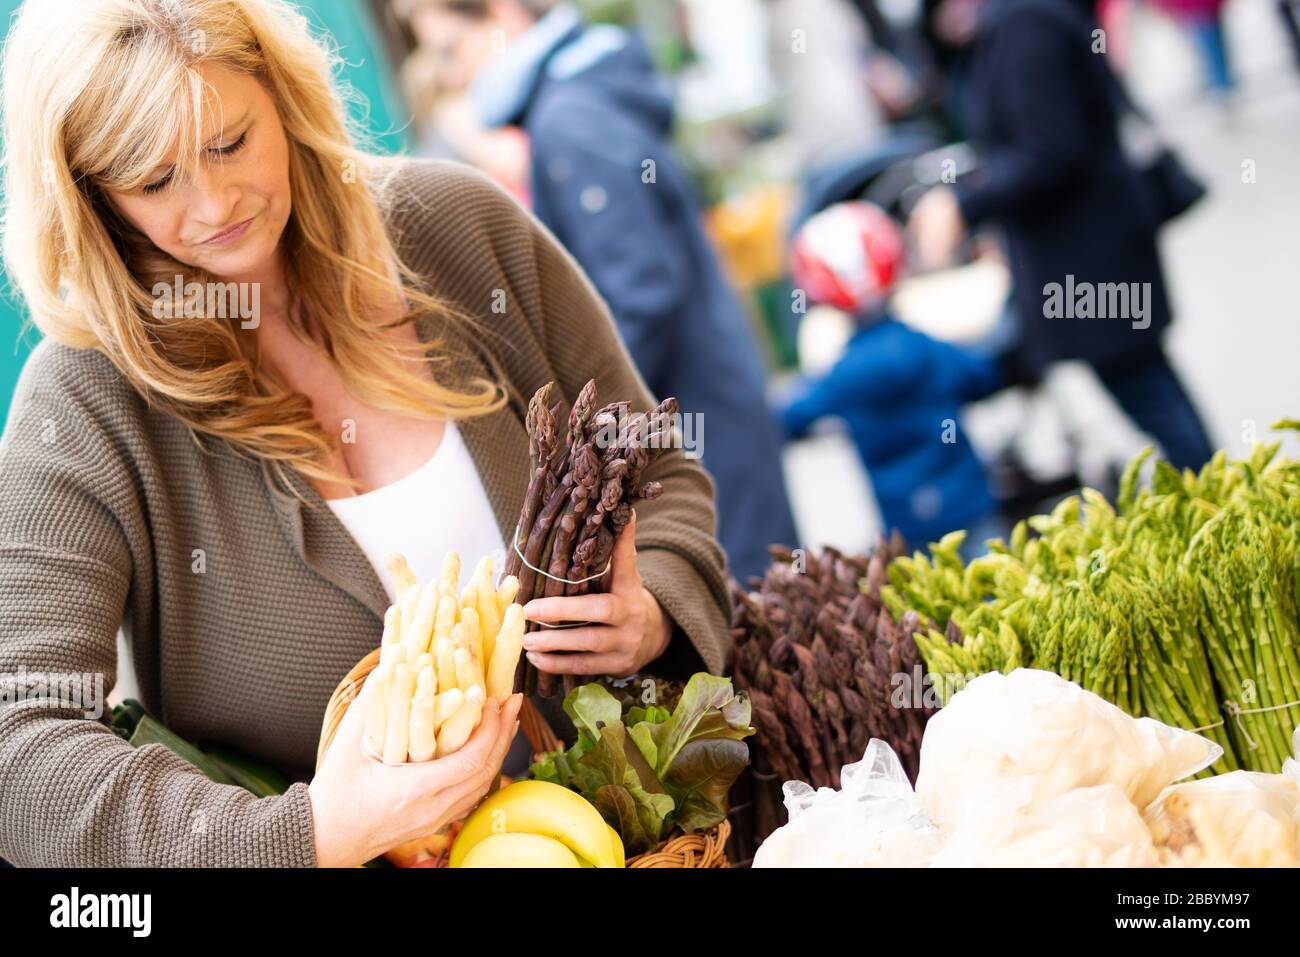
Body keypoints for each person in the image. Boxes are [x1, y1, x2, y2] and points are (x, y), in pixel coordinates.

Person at [0, 0, 731, 867]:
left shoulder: (458, 228)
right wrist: (306, 836)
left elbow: (662, 468)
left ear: (280, 91)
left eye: (229, 143)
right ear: (90, 196)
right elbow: (20, 746)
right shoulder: (87, 394)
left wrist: (652, 610)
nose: (214, 202)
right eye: (153, 181)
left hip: (637, 843)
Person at [403, 0, 801, 583]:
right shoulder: (575, 102)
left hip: (696, 436)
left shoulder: (570, 121)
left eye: (449, 50)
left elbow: (642, 294)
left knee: (757, 616)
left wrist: (581, 446)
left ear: (503, 14)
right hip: (705, 417)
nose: (454, 75)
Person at [907, 0, 1215, 473]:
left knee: (1150, 393)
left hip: (1092, 253)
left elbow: (1047, 150)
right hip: (1093, 244)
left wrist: (963, 206)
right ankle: (1220, 497)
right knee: (1150, 388)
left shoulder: (1023, 22)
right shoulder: (1021, 17)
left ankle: (1220, 505)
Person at [777, 202, 1003, 552]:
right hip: (971, 505)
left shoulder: (840, 378)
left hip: (907, 525)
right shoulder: (926, 348)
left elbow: (790, 418)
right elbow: (982, 374)